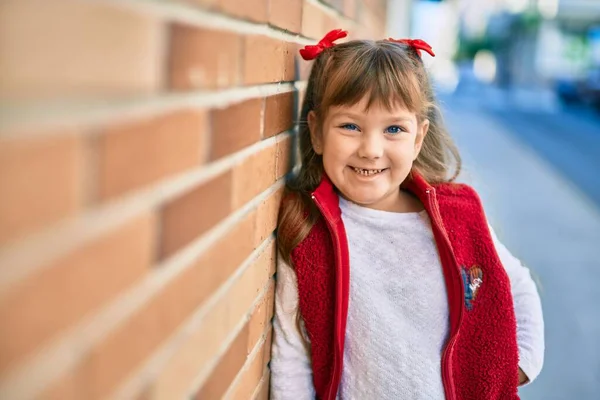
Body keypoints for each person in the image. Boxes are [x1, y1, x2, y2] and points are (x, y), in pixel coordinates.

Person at [270, 29, 544, 400]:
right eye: (350, 126)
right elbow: (291, 354)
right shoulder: (306, 230)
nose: (371, 149)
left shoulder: (458, 215)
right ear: (317, 132)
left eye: (394, 129)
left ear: (418, 138)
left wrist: (516, 366)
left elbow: (517, 284)